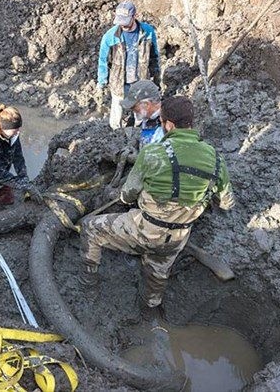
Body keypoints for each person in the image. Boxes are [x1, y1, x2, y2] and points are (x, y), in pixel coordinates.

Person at [79, 96, 235, 320]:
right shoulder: (216, 159)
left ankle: (88, 288)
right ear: (190, 123)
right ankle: (149, 309)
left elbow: (127, 195)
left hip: (144, 231)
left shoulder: (153, 153)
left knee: (90, 228)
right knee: (158, 271)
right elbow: (227, 202)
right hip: (177, 238)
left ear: (168, 124)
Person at [97, 0, 161, 130]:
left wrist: (156, 77)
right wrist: (101, 82)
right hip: (119, 81)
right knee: (117, 112)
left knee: (141, 113)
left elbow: (154, 56)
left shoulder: (147, 32)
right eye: (120, 22)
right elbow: (103, 61)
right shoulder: (110, 37)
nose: (123, 25)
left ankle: (137, 131)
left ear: (134, 16)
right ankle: (116, 133)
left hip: (140, 79)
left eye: (125, 21)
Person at [121, 79, 164, 148]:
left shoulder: (168, 122)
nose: (133, 110)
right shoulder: (147, 118)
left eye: (134, 107)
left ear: (146, 104)